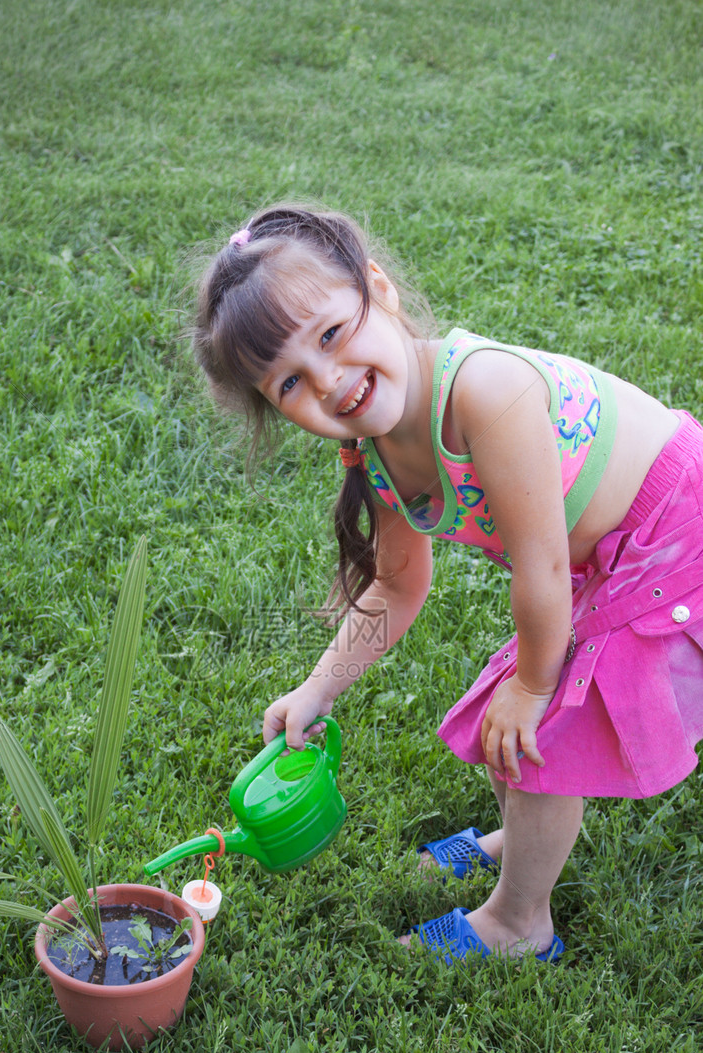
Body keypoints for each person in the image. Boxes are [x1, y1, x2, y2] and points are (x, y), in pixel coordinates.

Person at [192, 203, 703, 963]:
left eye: (332, 334)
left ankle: (519, 922)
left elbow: (541, 569)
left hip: (674, 534)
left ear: (379, 289)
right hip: (600, 555)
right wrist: (318, 688)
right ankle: (518, 840)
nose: (329, 381)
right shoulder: (377, 450)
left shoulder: (487, 393)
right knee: (516, 722)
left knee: (540, 733)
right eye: (291, 382)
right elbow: (399, 587)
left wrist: (532, 690)